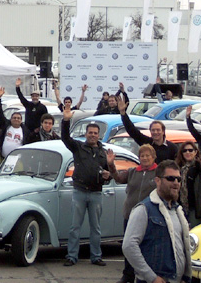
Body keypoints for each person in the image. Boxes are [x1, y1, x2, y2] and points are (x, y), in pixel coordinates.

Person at [122, 160, 192, 283]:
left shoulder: (178, 211)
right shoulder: (144, 209)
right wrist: (151, 277)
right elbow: (129, 246)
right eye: (170, 178)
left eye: (178, 179)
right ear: (158, 181)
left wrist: (185, 276)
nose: (176, 183)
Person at [61, 102, 110, 267]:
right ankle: (71, 256)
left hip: (96, 193)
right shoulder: (78, 147)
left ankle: (96, 257)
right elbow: (65, 138)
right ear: (86, 134)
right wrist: (66, 121)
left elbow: (109, 174)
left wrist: (107, 176)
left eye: (95, 133)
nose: (92, 135)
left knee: (96, 228)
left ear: (99, 135)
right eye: (90, 133)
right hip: (79, 192)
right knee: (75, 227)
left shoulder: (103, 152)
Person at [107, 144, 158, 283]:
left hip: (149, 217)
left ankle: (148, 276)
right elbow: (118, 178)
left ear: (153, 157)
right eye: (142, 156)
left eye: (148, 155)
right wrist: (111, 165)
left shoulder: (159, 173)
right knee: (129, 246)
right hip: (130, 215)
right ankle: (128, 275)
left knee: (146, 247)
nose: (145, 158)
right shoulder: (132, 171)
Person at [118, 94, 178, 163]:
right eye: (153, 130)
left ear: (163, 131)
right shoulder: (147, 143)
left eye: (158, 130)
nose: (155, 132)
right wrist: (123, 113)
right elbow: (132, 131)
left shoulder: (172, 148)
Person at [0, 86, 28, 158]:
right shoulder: (6, 126)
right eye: (14, 118)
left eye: (18, 118)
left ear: (21, 120)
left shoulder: (25, 131)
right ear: (11, 119)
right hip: (3, 158)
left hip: (18, 159)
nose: (16, 119)